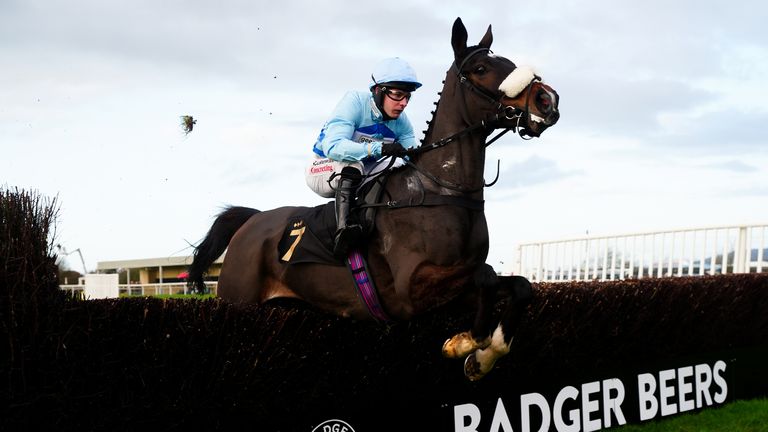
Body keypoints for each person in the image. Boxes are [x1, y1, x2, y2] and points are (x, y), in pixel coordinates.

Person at [306, 57, 422, 257]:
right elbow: (333, 146)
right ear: (377, 91)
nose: (403, 103)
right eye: (397, 95)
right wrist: (379, 148)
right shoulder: (354, 102)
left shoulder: (403, 123)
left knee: (399, 167)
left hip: (362, 173)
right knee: (353, 164)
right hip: (324, 167)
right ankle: (343, 230)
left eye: (407, 97)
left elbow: (414, 158)